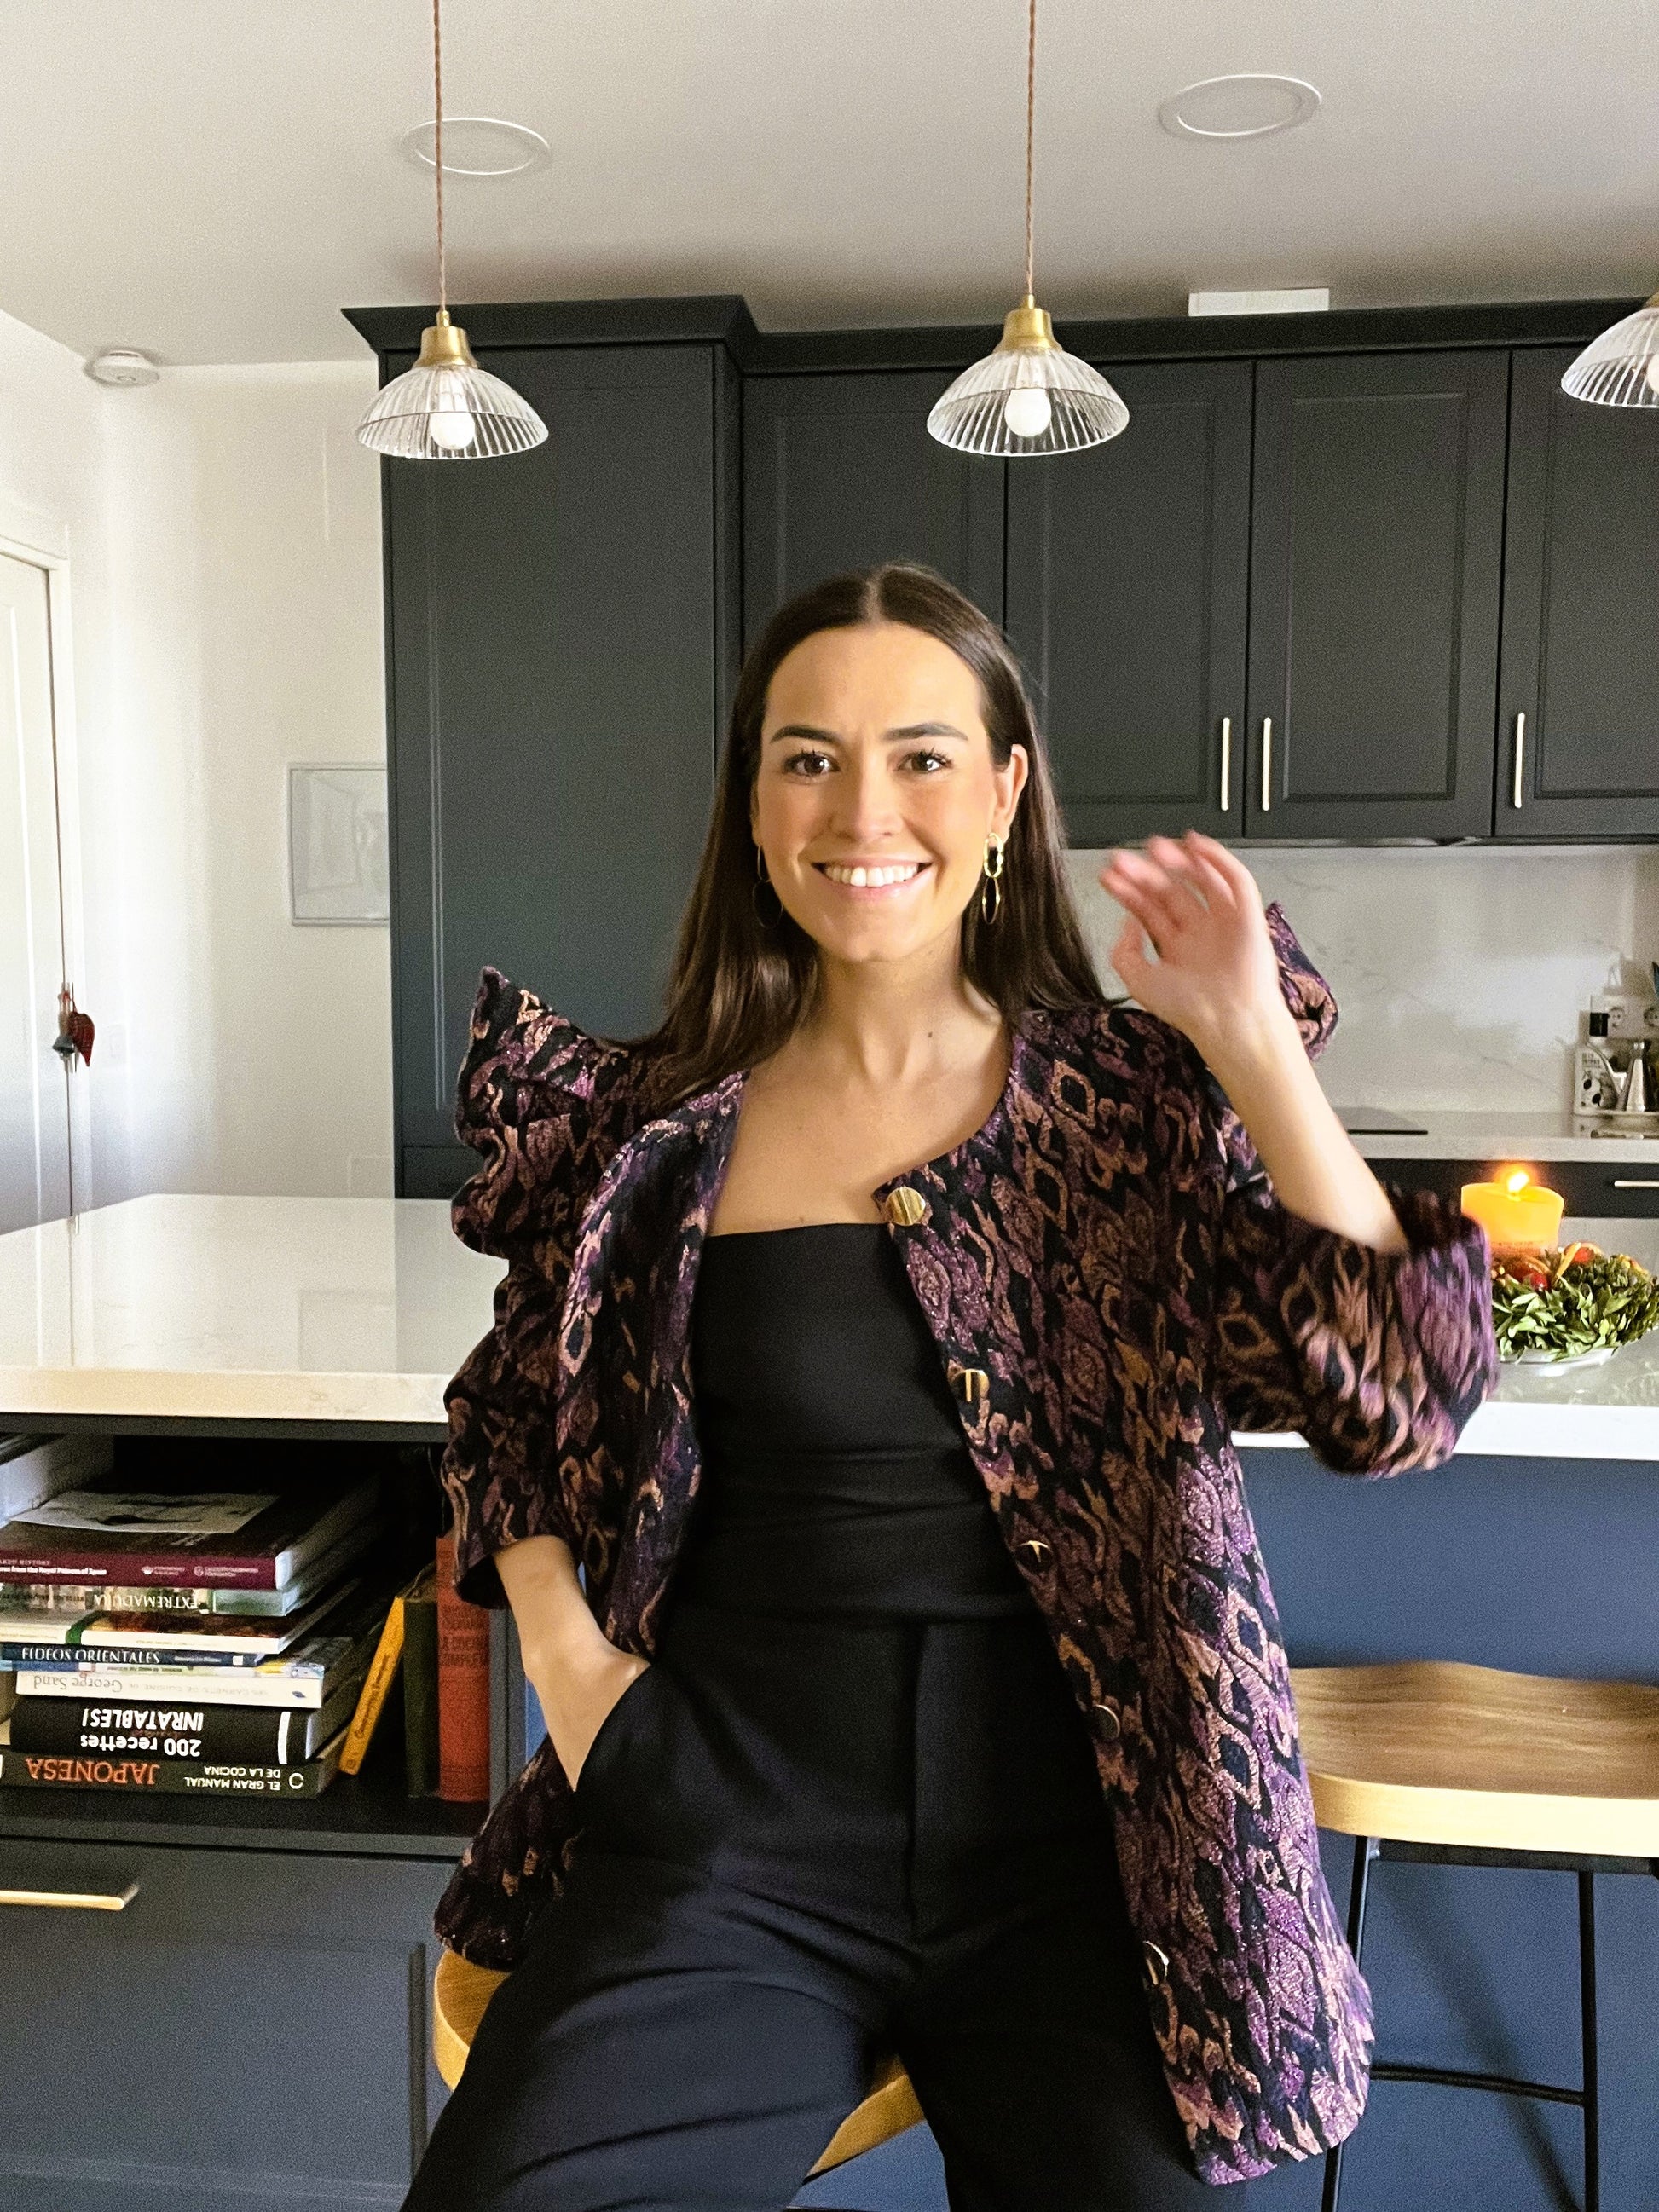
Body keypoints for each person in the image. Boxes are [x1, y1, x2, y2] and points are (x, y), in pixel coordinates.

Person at [402, 563, 1498, 2212]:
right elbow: (505, 1419)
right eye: (808, 758)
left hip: (1086, 1858)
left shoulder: (1125, 1105)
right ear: (754, 806)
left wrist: (1250, 1045)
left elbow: (1403, 1400)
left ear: (1001, 795)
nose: (863, 810)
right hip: (722, 1830)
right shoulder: (644, 1129)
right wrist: (578, 1683)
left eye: (919, 756)